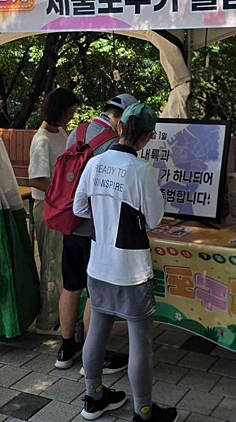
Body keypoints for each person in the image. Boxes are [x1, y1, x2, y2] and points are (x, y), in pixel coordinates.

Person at [74, 102, 176, 422]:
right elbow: (154, 220)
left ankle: (94, 397)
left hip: (98, 263)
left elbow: (79, 208)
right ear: (147, 137)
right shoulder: (142, 171)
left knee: (97, 330)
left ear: (120, 128)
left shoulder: (95, 163)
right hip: (131, 270)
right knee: (140, 341)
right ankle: (143, 412)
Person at [54, 94, 137, 373]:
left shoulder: (77, 132)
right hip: (96, 229)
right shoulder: (113, 144)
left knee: (70, 286)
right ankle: (94, 355)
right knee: (95, 292)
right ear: (122, 119)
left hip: (70, 222)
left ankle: (66, 348)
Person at [28, 87, 79, 336]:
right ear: (59, 110)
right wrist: (63, 193)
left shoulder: (60, 133)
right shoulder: (42, 140)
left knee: (59, 263)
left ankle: (59, 315)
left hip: (60, 207)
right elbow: (36, 179)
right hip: (48, 207)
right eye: (69, 112)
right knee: (50, 264)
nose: (71, 117)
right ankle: (47, 321)